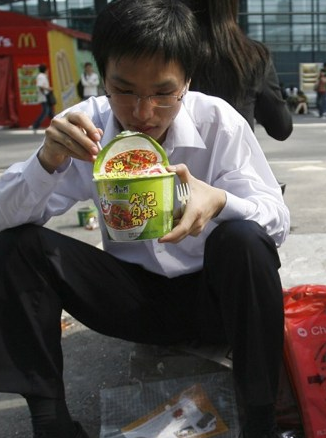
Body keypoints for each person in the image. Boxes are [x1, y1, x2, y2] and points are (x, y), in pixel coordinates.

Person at [0, 2, 289, 438]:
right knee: (17, 247)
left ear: (187, 82)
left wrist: (220, 201)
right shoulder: (85, 126)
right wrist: (47, 161)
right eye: (125, 90)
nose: (143, 112)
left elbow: (278, 222)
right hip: (131, 298)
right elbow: (6, 216)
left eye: (162, 93)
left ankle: (261, 418)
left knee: (245, 238)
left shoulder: (218, 124)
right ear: (102, 78)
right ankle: (50, 420)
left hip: (214, 302)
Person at [185, 0, 292, 142]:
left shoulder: (166, 53)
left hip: (172, 160)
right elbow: (281, 128)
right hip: (236, 160)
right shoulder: (253, 56)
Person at [31, 64, 55, 132]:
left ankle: (55, 124)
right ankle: (35, 124)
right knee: (45, 111)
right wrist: (48, 89)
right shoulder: (41, 76)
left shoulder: (42, 76)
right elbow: (40, 86)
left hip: (45, 96)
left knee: (50, 112)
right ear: (45, 70)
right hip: (44, 96)